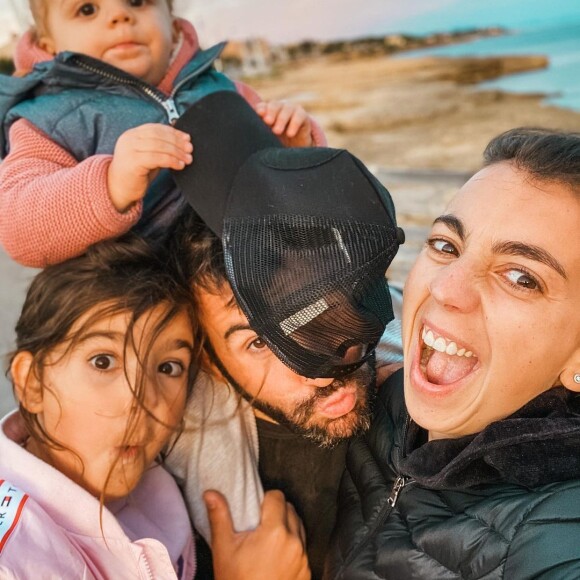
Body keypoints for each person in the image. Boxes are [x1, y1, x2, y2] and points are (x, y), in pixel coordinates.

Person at [163, 91, 405, 580]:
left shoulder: (419, 376)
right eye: (256, 341)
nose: (311, 365)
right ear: (210, 359)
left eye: (309, 307)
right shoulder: (173, 506)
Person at [326, 128, 580, 579]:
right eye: (446, 245)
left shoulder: (560, 536)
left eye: (521, 277)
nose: (445, 289)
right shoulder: (372, 394)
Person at [0, 237, 310, 579]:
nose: (142, 400)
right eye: (103, 361)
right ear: (32, 383)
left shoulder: (156, 492)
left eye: (168, 368)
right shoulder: (14, 557)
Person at [0, 0, 325, 267]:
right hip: (138, 299)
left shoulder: (226, 93)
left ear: (171, 23)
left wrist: (295, 150)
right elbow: (18, 228)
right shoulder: (46, 120)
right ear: (49, 45)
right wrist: (110, 184)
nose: (120, 15)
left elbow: (297, 199)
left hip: (252, 276)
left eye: (137, 2)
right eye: (87, 9)